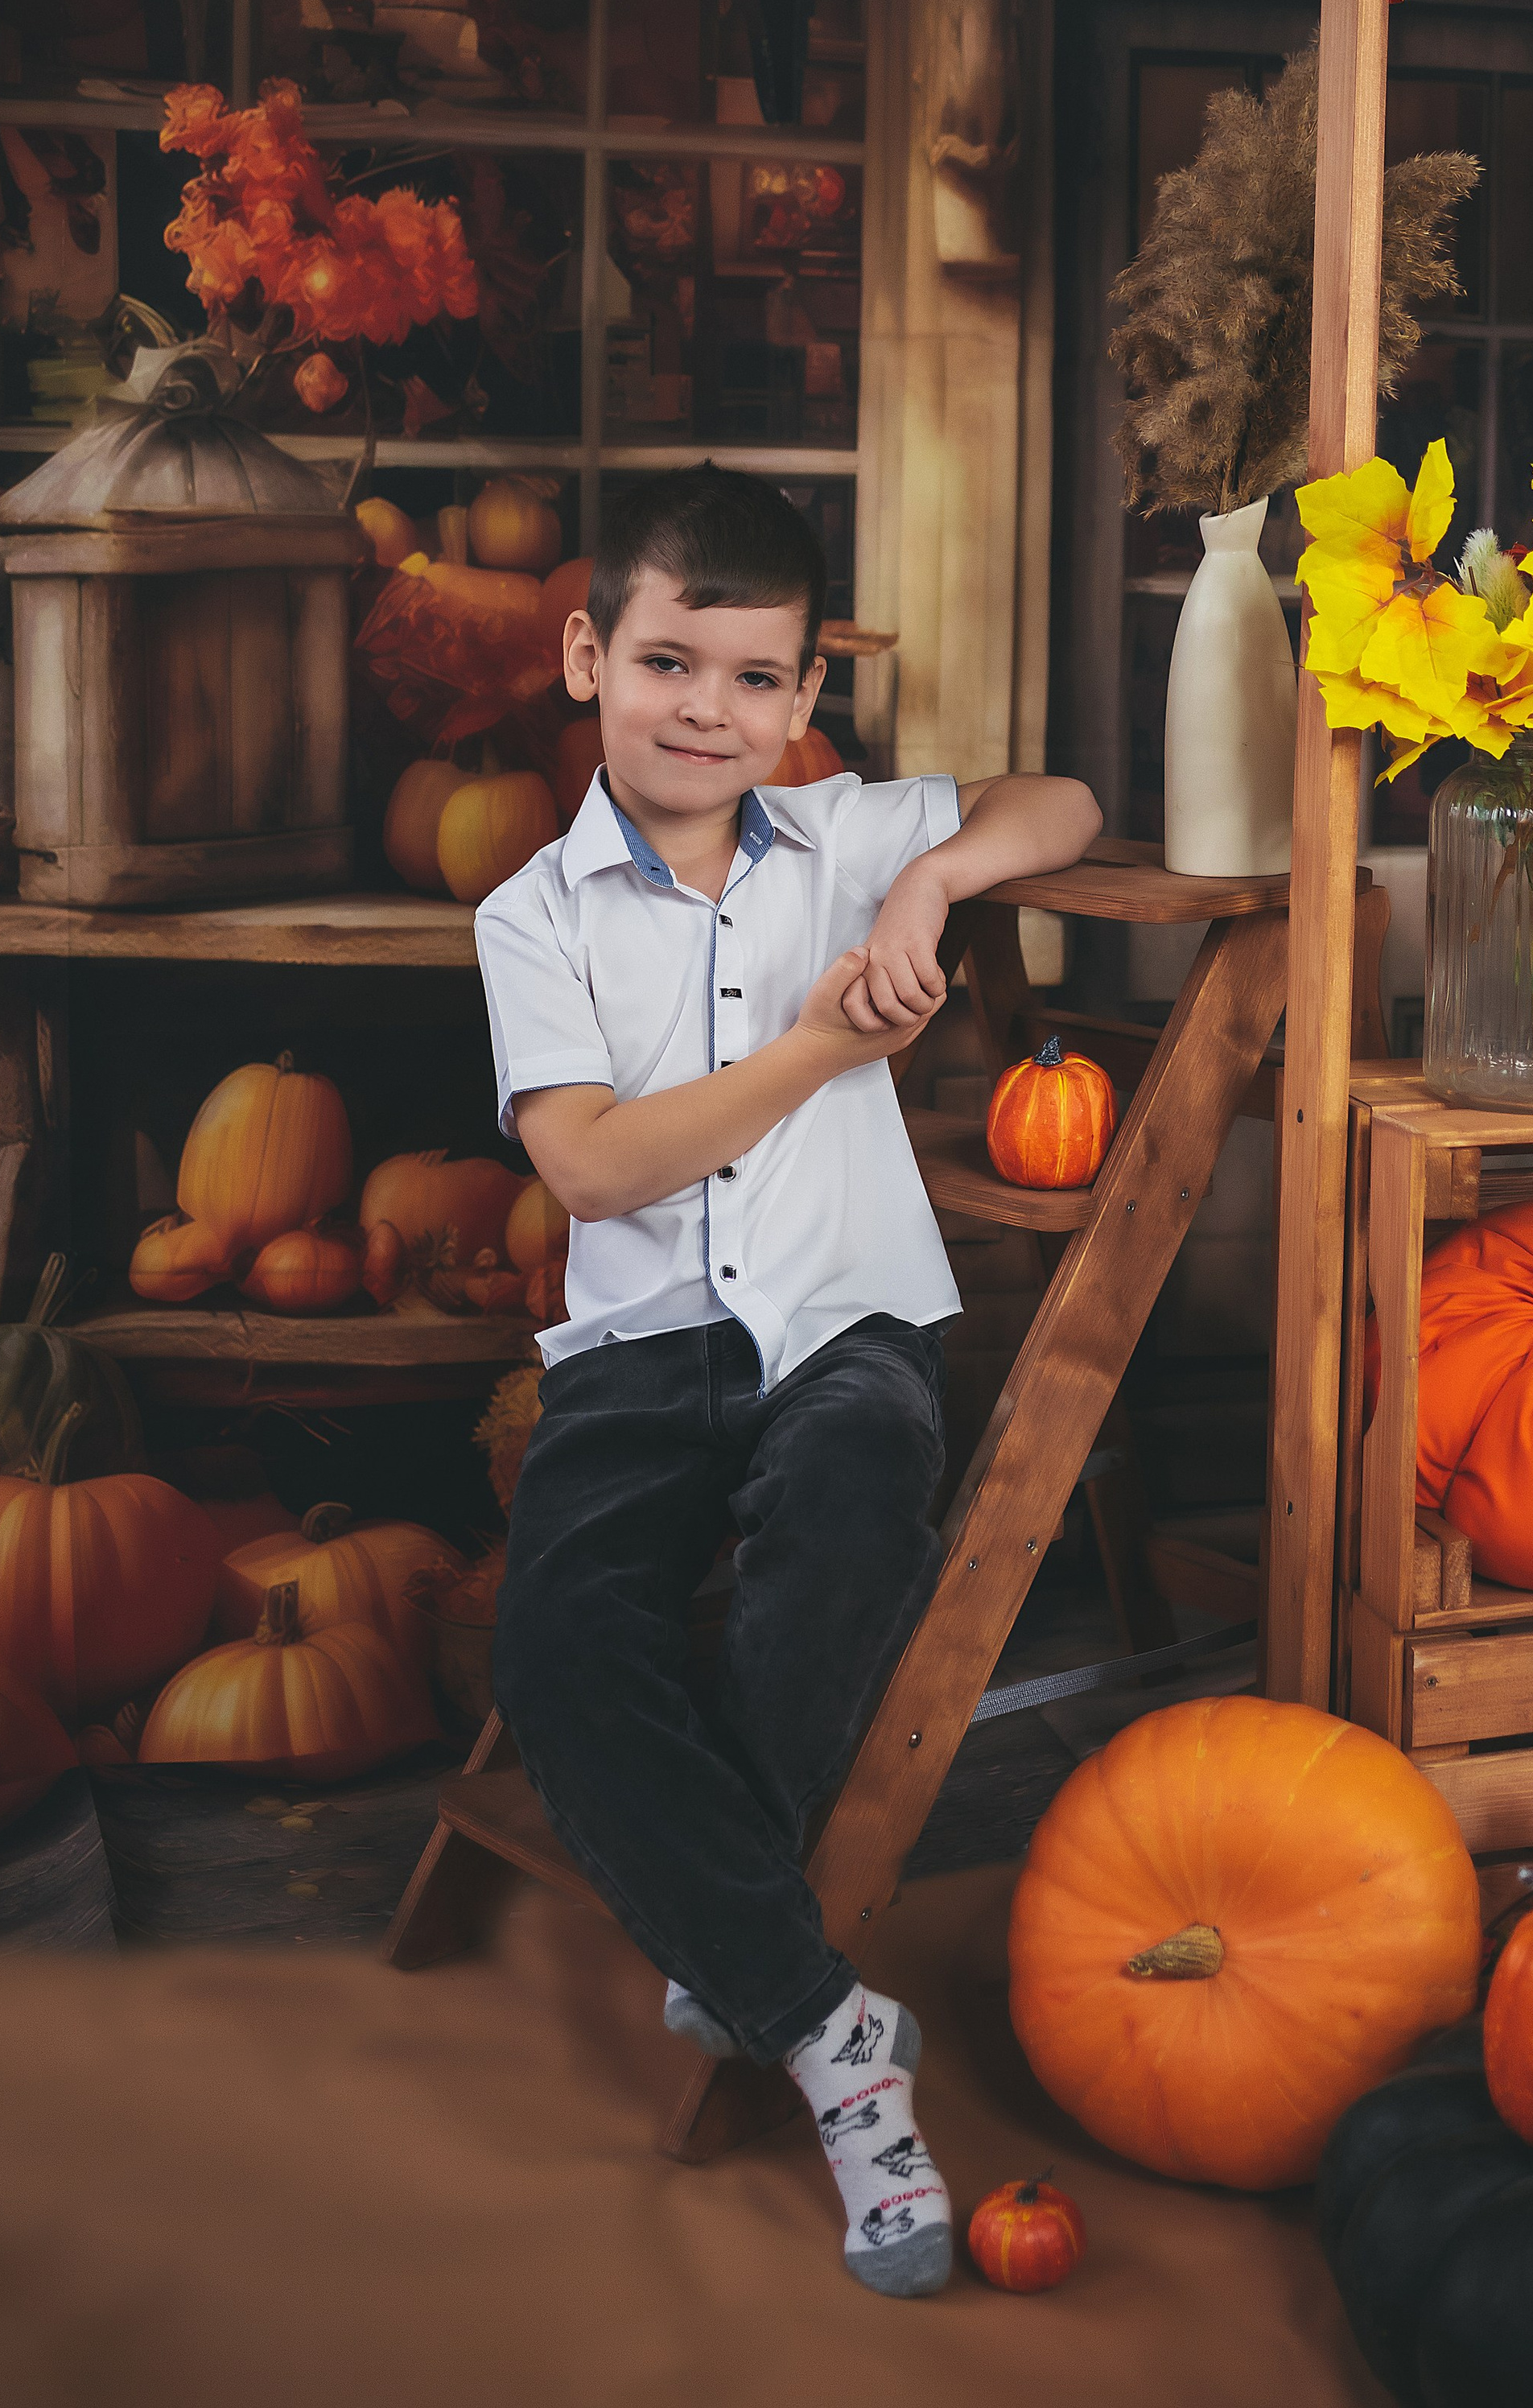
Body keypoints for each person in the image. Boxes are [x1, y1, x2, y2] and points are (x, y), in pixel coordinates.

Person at [474, 464, 1102, 2299]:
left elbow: (1057, 798)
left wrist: (935, 867)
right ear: (589, 653)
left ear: (804, 698)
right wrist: (830, 1038)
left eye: (753, 680)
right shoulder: (533, 916)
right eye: (668, 661)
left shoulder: (838, 836)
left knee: (847, 1522)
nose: (705, 711)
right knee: (559, 1638)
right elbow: (588, 1167)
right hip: (643, 1352)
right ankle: (831, 2030)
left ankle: (727, 1937)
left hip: (846, 1323)